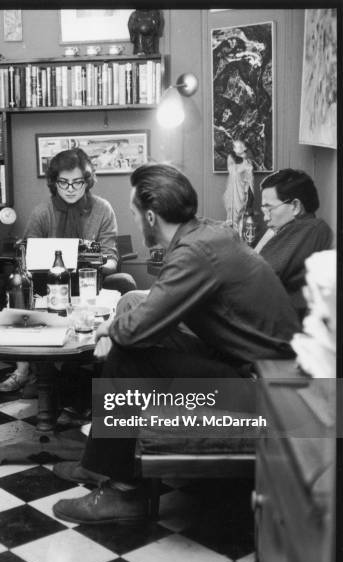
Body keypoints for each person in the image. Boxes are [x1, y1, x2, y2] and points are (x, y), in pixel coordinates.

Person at [51, 163, 301, 525]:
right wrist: (121, 326)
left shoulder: (194, 253)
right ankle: (102, 464)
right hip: (252, 368)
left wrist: (106, 331)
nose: (135, 220)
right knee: (136, 340)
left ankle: (124, 493)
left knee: (130, 354)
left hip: (268, 390)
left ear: (151, 216)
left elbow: (138, 326)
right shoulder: (208, 233)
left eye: (136, 212)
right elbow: (157, 309)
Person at [0, 147, 137, 393]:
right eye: (63, 182)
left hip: (92, 281)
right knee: (19, 288)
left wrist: (91, 260)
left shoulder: (103, 209)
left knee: (125, 281)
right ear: (54, 183)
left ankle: (114, 366)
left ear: (87, 181)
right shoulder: (43, 212)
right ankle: (23, 370)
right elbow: (28, 258)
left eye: (77, 182)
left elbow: (112, 259)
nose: (70, 188)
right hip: (48, 284)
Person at [255, 168, 333, 317]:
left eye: (269, 209)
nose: (265, 218)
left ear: (296, 206)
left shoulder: (311, 229)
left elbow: (257, 277)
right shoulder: (301, 227)